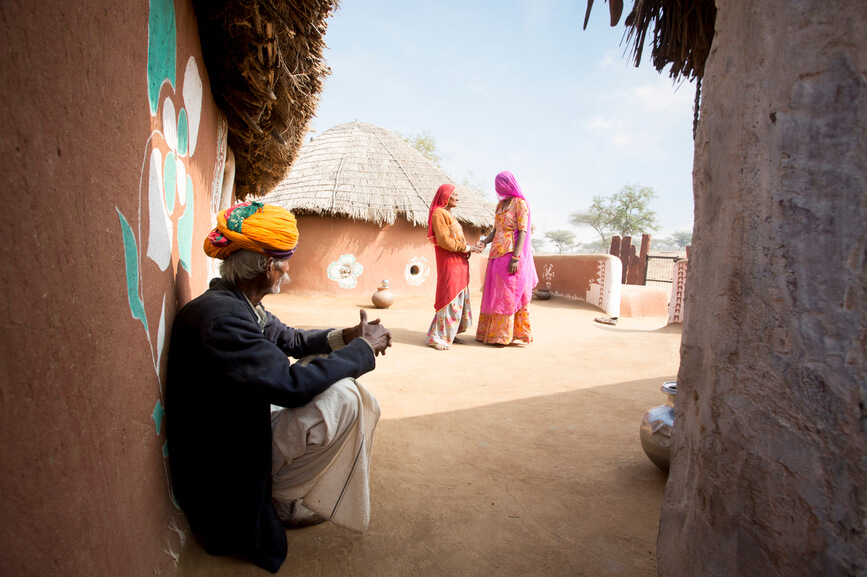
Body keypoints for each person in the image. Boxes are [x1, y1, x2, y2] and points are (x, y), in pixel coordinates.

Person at [166, 200, 392, 573]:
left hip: (231, 432)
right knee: (346, 397)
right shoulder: (222, 320)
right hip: (223, 474)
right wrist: (363, 351)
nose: (288, 268)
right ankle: (281, 499)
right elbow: (291, 385)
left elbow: (290, 340)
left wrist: (349, 337)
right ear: (268, 266)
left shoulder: (235, 301)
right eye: (284, 260)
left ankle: (282, 489)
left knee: (323, 372)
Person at [475, 171, 539, 345]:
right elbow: (496, 230)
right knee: (495, 293)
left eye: (500, 183)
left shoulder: (520, 204)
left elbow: (523, 230)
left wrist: (516, 258)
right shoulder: (500, 205)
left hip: (511, 253)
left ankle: (507, 334)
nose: (497, 187)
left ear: (508, 183)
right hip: (496, 253)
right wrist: (484, 242)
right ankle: (492, 333)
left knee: (509, 293)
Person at [426, 184, 482, 350]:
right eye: (454, 195)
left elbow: (456, 240)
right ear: (445, 196)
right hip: (449, 262)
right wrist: (467, 248)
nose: (457, 198)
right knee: (448, 294)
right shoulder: (439, 214)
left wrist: (469, 248)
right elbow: (444, 240)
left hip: (459, 262)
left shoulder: (449, 215)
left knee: (458, 295)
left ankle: (450, 333)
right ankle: (437, 337)